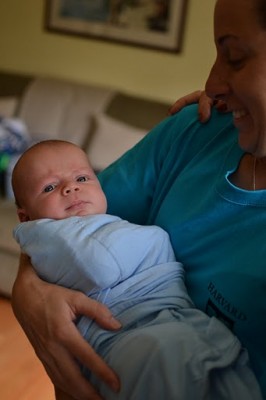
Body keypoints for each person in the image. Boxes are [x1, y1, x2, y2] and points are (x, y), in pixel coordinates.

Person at [10, 0, 266, 399]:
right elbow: (62, 227)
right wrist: (31, 295)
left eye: (234, 57)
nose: (213, 84)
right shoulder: (196, 129)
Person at [12, 139, 261, 400]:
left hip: (170, 322)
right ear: (25, 217)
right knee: (165, 355)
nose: (71, 187)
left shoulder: (98, 223)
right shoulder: (51, 235)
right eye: (50, 187)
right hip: (125, 335)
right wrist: (155, 238)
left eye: (83, 178)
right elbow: (100, 264)